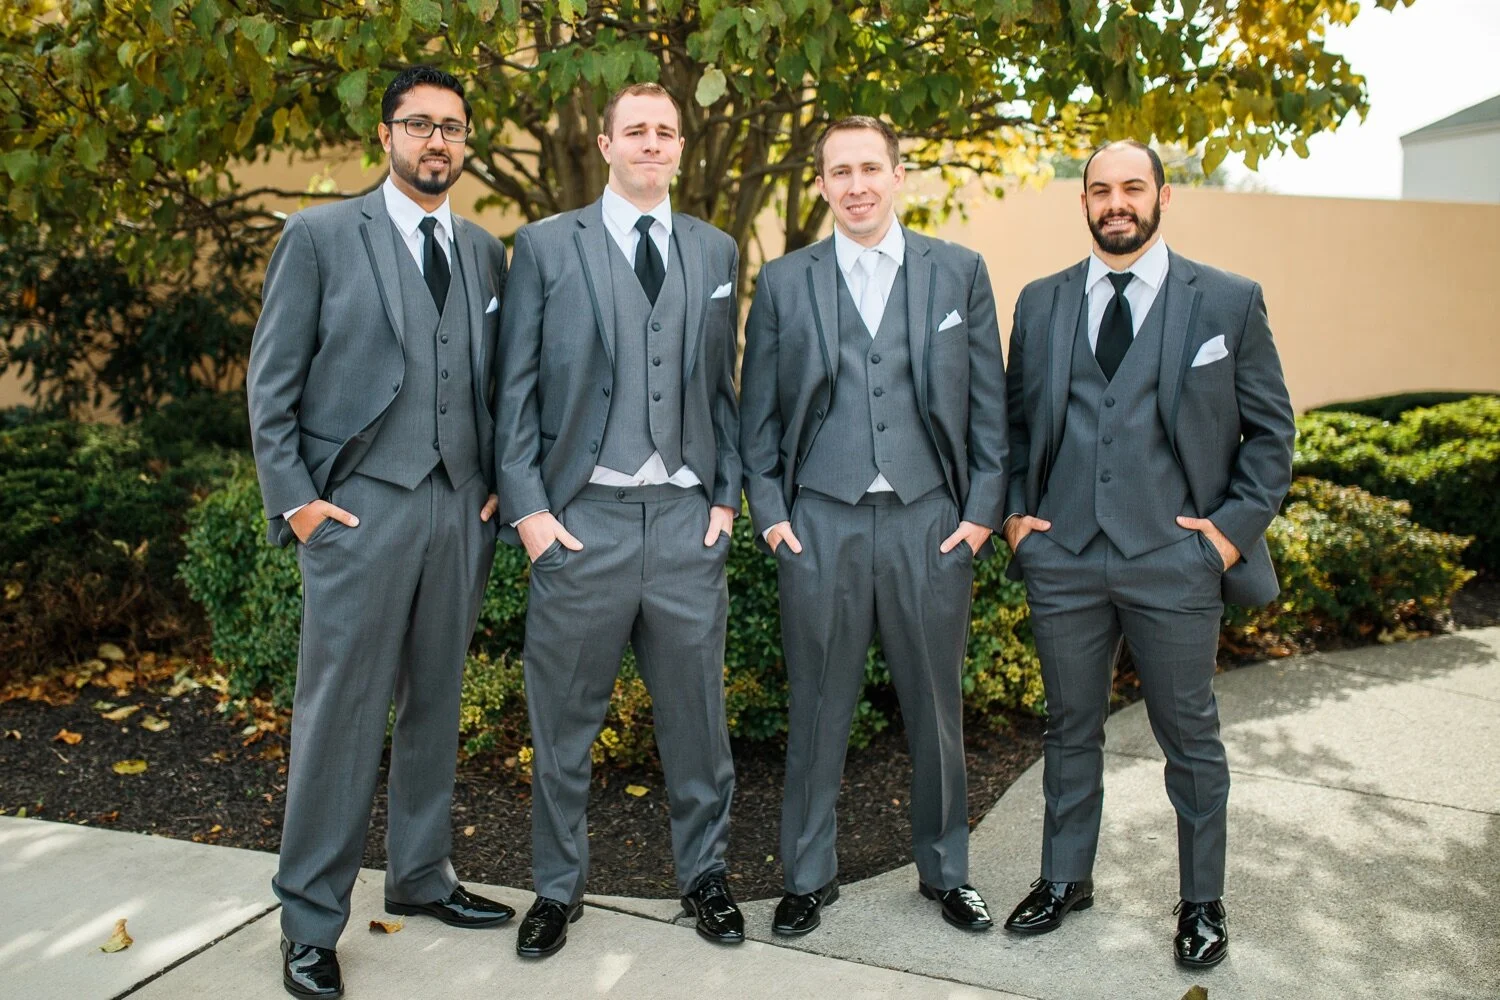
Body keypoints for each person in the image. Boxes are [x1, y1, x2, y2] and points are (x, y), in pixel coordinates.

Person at [247, 65, 514, 999]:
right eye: (418, 125)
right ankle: (309, 920)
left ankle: (423, 875)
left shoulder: (485, 253)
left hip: (457, 510)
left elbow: (489, 387)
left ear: (466, 142)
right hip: (359, 508)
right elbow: (271, 381)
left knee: (436, 700)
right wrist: (298, 501)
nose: (435, 141)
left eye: (451, 127)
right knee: (341, 716)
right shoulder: (321, 235)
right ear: (386, 135)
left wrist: (489, 488)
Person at [998, 140, 1296, 968]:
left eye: (1133, 187)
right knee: (1069, 726)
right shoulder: (1042, 302)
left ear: (1165, 196)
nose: (1116, 202)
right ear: (1085, 202)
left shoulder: (1228, 302)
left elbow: (1272, 434)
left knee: (1189, 735)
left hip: (1176, 556)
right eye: (1101, 190)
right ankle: (1065, 879)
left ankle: (1202, 901)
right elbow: (1017, 423)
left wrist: (1227, 535)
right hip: (1063, 555)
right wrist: (1020, 513)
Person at [739, 115, 1009, 937]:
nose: (855, 184)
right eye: (838, 172)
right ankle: (809, 875)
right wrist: (774, 516)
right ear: (820, 184)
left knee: (936, 703)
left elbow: (991, 407)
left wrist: (979, 514)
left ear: (899, 174)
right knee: (819, 702)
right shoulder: (787, 282)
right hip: (820, 520)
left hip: (931, 520)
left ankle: (946, 871)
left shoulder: (958, 272)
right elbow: (759, 416)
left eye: (869, 168)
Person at [495, 81, 744, 958]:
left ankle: (705, 878)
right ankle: (558, 891)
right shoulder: (546, 246)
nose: (649, 143)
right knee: (562, 724)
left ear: (681, 147)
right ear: (604, 144)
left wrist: (725, 497)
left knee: (697, 720)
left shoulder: (716, 251)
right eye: (633, 130)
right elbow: (513, 393)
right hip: (582, 519)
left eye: (664, 132)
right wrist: (529, 512)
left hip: (683, 520)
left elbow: (723, 387)